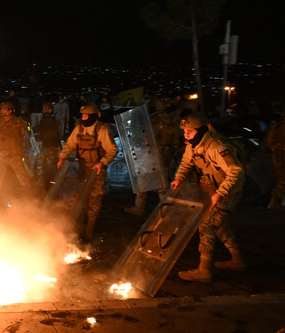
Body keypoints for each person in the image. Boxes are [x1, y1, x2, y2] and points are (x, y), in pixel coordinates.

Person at [170, 113, 246, 282]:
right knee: (219, 224)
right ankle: (237, 259)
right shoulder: (192, 145)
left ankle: (204, 270)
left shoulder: (217, 147)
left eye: (190, 131)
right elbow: (186, 163)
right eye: (184, 131)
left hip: (229, 192)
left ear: (202, 130)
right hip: (213, 191)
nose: (186, 134)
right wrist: (179, 178)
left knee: (205, 224)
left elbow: (236, 171)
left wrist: (221, 193)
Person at [57, 105, 118, 241]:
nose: (83, 118)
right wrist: (62, 157)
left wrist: (102, 162)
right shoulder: (79, 129)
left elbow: (113, 149)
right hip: (82, 169)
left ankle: (89, 232)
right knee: (81, 199)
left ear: (92, 116)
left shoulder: (101, 130)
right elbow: (70, 145)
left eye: (85, 116)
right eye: (82, 115)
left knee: (94, 200)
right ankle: (79, 229)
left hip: (96, 171)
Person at [125, 98, 180, 216]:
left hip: (151, 154)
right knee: (163, 185)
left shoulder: (153, 121)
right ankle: (166, 210)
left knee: (143, 182)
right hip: (165, 155)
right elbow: (175, 139)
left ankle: (139, 208)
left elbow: (146, 138)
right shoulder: (169, 121)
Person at [0, 101, 31, 195]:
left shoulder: (18, 122)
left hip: (14, 153)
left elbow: (25, 134)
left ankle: (28, 194)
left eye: (4, 109)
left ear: (10, 111)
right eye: (1, 109)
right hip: (1, 153)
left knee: (22, 175)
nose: (1, 111)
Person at [33, 102, 61, 188]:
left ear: (50, 110)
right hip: (47, 144)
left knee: (52, 164)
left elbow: (41, 127)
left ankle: (58, 181)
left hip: (51, 145)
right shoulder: (46, 119)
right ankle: (41, 181)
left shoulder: (49, 119)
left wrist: (31, 129)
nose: (43, 110)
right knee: (41, 162)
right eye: (43, 108)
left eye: (45, 108)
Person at [266, 106, 285, 210]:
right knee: (282, 181)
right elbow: (275, 145)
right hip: (281, 158)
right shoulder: (280, 128)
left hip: (280, 157)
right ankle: (275, 203)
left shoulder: (278, 126)